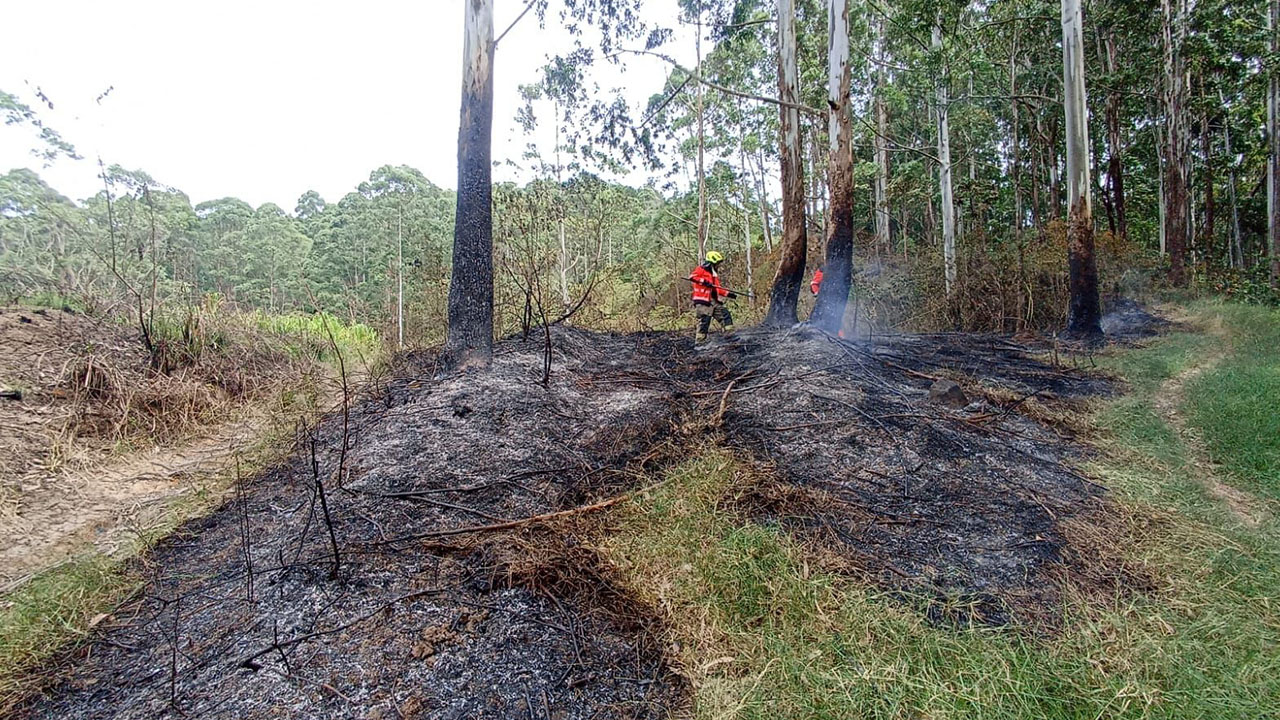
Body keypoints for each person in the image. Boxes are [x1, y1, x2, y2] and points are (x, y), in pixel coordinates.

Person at [689, 250, 736, 342]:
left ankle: (729, 336)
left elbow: (718, 288)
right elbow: (692, 277)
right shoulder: (701, 269)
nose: (718, 265)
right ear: (712, 263)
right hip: (703, 301)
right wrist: (704, 282)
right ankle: (700, 342)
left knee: (725, 314)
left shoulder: (713, 275)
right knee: (704, 321)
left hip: (713, 301)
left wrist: (729, 294)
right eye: (717, 263)